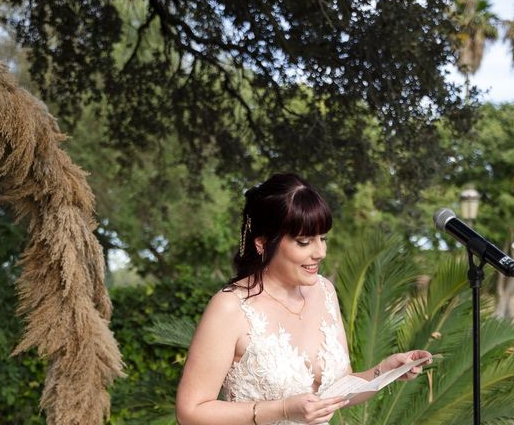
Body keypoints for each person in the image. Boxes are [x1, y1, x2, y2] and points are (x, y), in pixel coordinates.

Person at [176, 173, 432, 425]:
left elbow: (337, 390)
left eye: (323, 239)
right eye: (303, 242)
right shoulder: (231, 307)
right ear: (263, 243)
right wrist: (283, 410)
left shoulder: (324, 291)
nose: (319, 252)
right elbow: (190, 411)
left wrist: (384, 371)